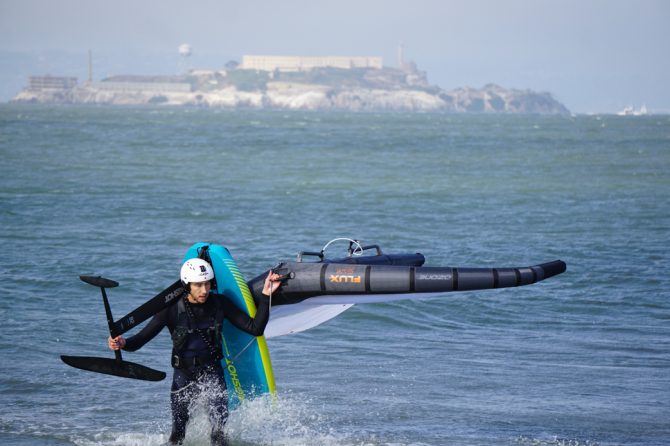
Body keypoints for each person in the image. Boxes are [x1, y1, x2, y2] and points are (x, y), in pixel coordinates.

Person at [108, 258, 282, 445]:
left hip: (213, 374)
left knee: (219, 434)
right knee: (178, 436)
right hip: (183, 377)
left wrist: (266, 296)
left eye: (207, 284)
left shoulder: (220, 303)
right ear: (186, 284)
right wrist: (123, 343)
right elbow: (139, 341)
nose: (204, 290)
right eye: (198, 285)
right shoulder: (170, 309)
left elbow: (255, 328)